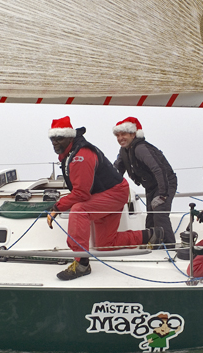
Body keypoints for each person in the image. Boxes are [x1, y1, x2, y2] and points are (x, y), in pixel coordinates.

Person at [47, 116, 163, 281]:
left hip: (114, 193)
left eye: (59, 138)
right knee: (104, 244)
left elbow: (81, 194)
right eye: (52, 138)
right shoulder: (72, 153)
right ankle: (151, 235)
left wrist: (56, 207)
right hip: (110, 192)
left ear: (70, 137)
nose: (55, 142)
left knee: (79, 210)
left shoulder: (81, 155)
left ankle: (82, 263)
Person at [113, 117, 178, 247]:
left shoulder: (140, 148)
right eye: (118, 135)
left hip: (165, 182)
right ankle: (154, 245)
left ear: (133, 134)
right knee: (151, 217)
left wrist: (163, 194)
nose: (120, 138)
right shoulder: (124, 152)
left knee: (159, 213)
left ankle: (169, 247)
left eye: (124, 134)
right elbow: (115, 172)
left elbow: (158, 169)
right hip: (151, 186)